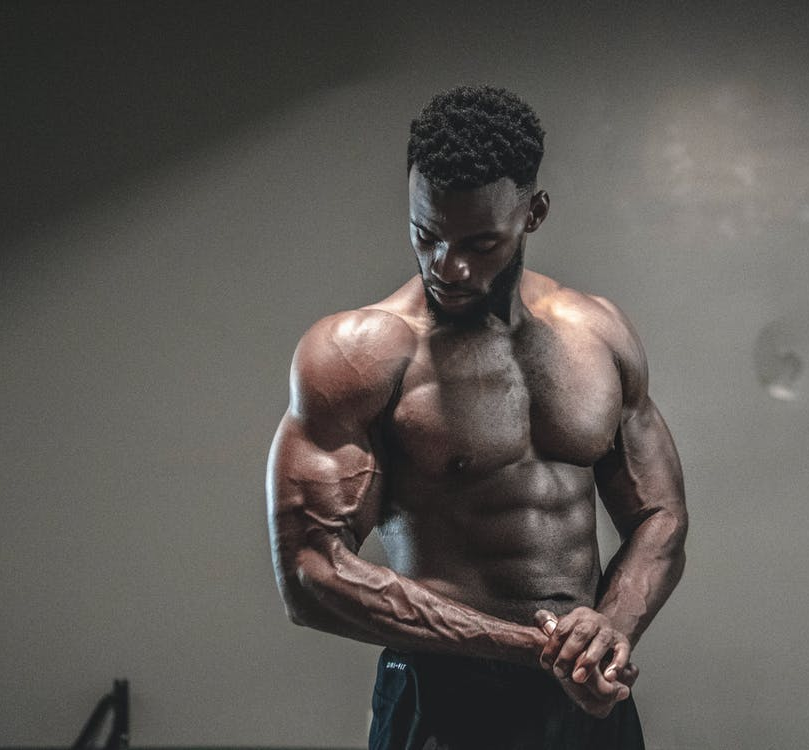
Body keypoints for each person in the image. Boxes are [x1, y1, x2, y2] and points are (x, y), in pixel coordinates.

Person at [267, 85, 687, 749]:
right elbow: (310, 573)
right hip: (443, 701)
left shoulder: (599, 333)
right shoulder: (361, 355)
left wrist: (612, 628)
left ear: (534, 213)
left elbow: (659, 516)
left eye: (480, 242)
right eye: (425, 235)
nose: (448, 266)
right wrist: (535, 648)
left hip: (584, 700)